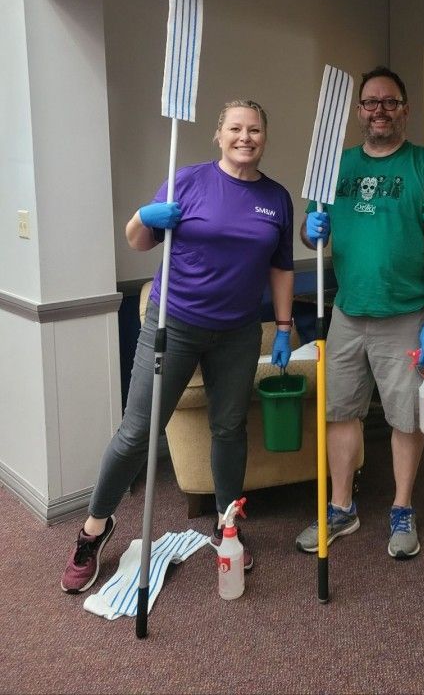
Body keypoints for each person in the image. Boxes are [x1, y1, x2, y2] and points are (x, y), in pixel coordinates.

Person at [61, 99, 294, 594]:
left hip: (237, 333)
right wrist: (144, 215)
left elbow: (281, 266)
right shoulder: (186, 179)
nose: (245, 137)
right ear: (219, 134)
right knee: (137, 432)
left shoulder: (276, 198)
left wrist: (284, 325)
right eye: (236, 128)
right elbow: (138, 241)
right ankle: (93, 531)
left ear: (264, 137)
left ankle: (227, 525)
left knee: (229, 429)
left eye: (255, 129)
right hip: (175, 324)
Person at [295, 66, 424, 559]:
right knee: (340, 411)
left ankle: (402, 508)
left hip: (406, 314)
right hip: (346, 311)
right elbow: (310, 236)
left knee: (405, 417)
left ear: (405, 108)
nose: (379, 110)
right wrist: (311, 228)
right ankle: (341, 507)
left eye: (389, 101)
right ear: (359, 111)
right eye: (370, 102)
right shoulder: (334, 167)